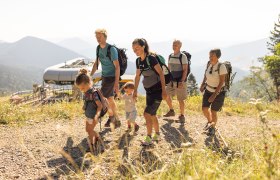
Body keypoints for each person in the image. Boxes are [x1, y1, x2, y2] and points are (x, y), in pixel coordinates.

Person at [132, 38, 167, 146]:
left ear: (143, 47)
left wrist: (164, 91)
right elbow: (137, 76)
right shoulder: (138, 61)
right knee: (152, 114)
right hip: (149, 92)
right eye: (133, 49)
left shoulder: (151, 59)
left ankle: (148, 138)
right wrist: (135, 91)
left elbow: (161, 74)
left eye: (137, 48)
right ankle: (157, 134)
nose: (135, 50)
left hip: (157, 91)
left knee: (146, 114)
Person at [90, 29, 120, 129]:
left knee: (103, 97)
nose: (98, 39)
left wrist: (116, 84)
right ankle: (115, 119)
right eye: (97, 37)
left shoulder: (111, 49)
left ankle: (112, 117)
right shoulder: (98, 48)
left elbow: (117, 67)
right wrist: (90, 76)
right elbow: (96, 63)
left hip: (112, 76)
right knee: (110, 98)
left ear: (105, 37)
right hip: (105, 76)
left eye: (100, 36)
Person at [200, 49, 227, 136]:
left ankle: (212, 128)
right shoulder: (209, 63)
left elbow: (222, 82)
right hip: (208, 89)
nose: (210, 57)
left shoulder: (221, 67)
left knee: (213, 111)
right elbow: (206, 74)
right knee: (204, 109)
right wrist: (203, 83)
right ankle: (210, 122)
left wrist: (214, 95)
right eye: (209, 55)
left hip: (218, 93)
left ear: (217, 56)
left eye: (212, 55)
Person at [75, 69, 102, 148]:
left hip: (94, 116)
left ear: (89, 83)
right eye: (80, 88)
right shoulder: (87, 93)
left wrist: (97, 116)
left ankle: (92, 145)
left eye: (82, 88)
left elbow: (99, 105)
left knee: (90, 130)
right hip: (89, 115)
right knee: (88, 130)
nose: (81, 90)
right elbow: (87, 102)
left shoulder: (93, 93)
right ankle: (97, 138)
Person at [163, 40, 188, 123]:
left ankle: (182, 115)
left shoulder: (183, 56)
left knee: (180, 99)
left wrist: (182, 81)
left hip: (180, 81)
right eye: (173, 45)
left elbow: (185, 70)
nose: (174, 46)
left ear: (180, 46)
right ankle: (171, 110)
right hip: (171, 80)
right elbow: (168, 69)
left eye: (176, 45)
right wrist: (166, 79)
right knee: (165, 95)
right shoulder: (170, 56)